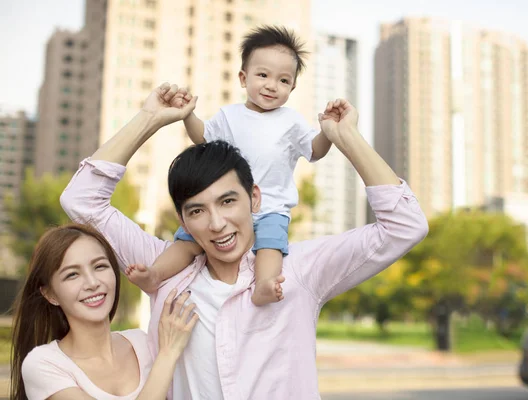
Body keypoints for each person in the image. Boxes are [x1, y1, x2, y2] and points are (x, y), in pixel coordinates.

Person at [60, 82, 429, 399]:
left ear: (254, 198)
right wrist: (150, 119)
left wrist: (346, 138)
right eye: (197, 211)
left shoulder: (296, 271)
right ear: (183, 219)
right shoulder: (164, 270)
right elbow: (81, 199)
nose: (217, 224)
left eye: (227, 201)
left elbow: (405, 225)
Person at [126, 25, 333, 307]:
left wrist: (329, 131)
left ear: (292, 87)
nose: (272, 85)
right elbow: (201, 137)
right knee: (187, 242)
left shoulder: (292, 121)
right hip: (223, 206)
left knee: (270, 246)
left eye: (283, 80)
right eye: (263, 75)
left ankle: (263, 287)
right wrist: (188, 115)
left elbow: (315, 150)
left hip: (271, 206)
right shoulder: (229, 115)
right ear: (243, 78)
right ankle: (155, 274)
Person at [10, 223, 199, 400]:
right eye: (72, 274)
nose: (93, 283)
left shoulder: (143, 343)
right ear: (50, 294)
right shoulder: (45, 364)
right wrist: (167, 354)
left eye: (100, 266)